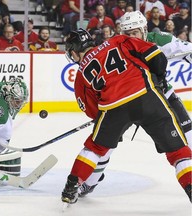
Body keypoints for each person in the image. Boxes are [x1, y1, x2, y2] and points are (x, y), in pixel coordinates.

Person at [61, 28, 192, 205]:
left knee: (95, 148)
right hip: (147, 96)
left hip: (113, 108)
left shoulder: (80, 77)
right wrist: (158, 80)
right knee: (178, 150)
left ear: (75, 52)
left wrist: (106, 119)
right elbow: (157, 57)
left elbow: (94, 112)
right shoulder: (118, 41)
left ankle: (70, 188)